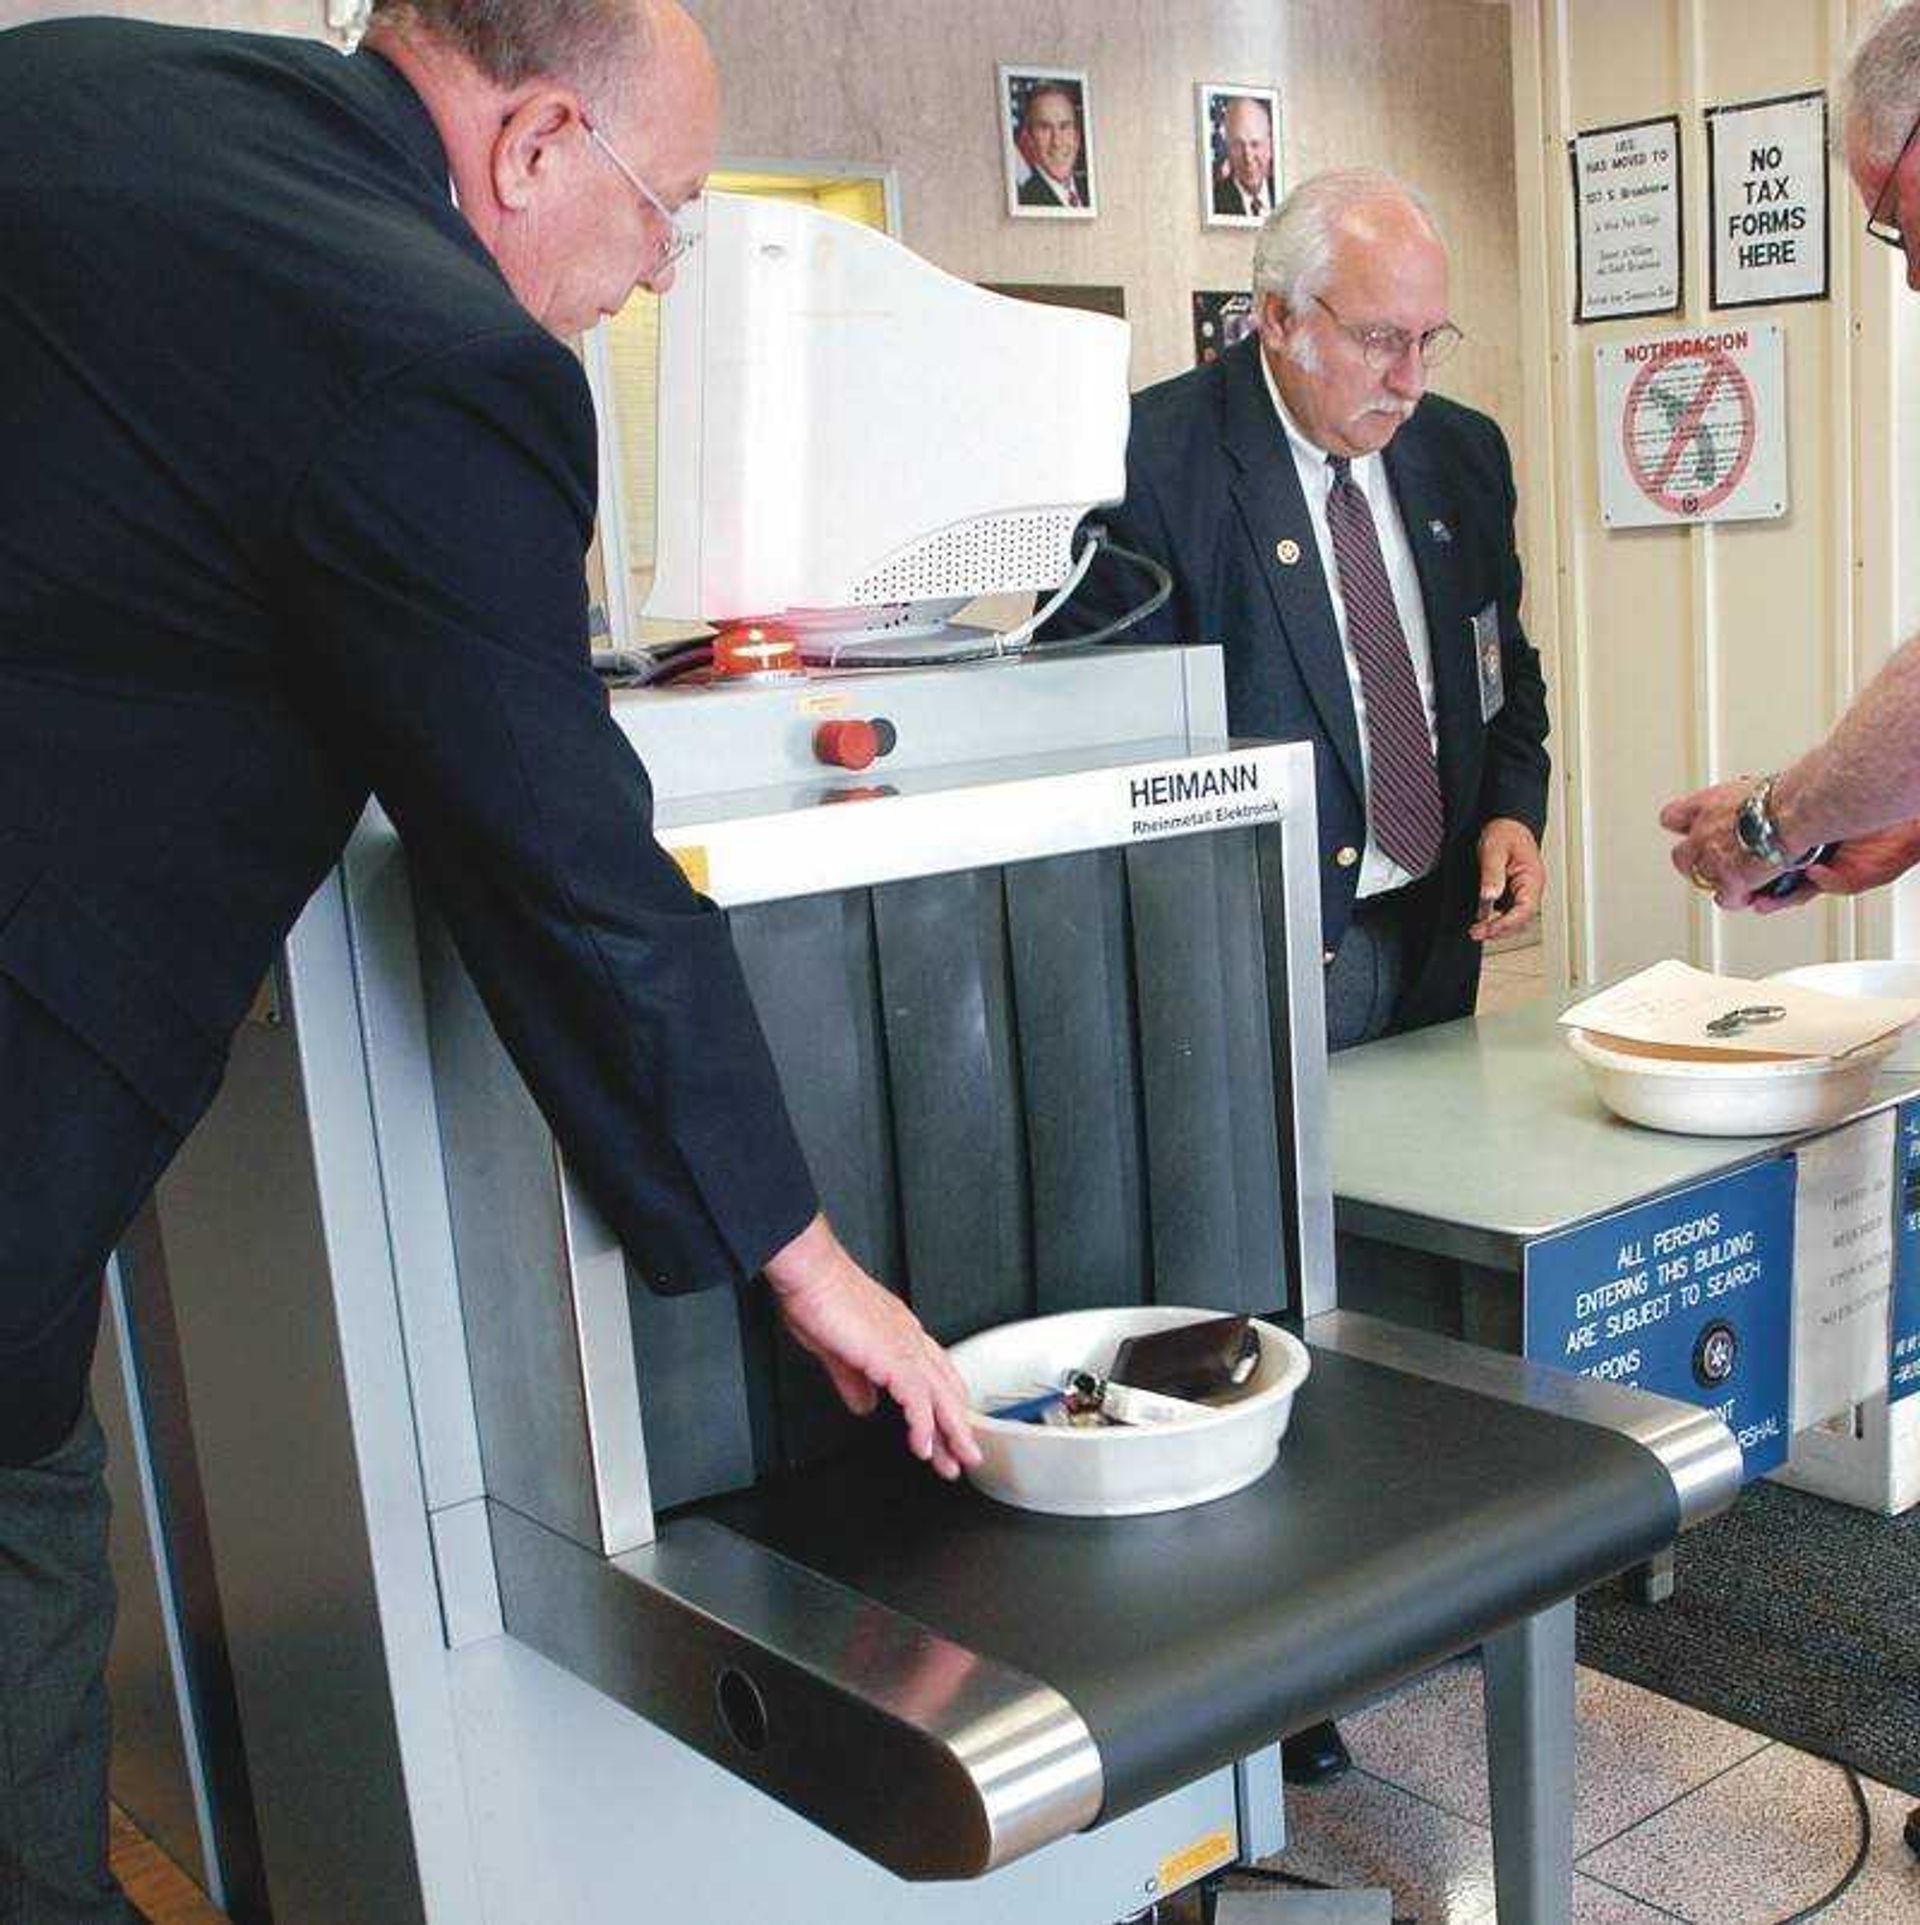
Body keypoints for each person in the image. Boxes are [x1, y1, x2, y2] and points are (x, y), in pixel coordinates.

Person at [0, 3, 977, 1917]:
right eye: (664, 212)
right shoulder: (438, 358)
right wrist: (808, 1260)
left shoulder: (88, 79)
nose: (654, 271)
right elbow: (566, 871)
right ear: (533, 147)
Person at [1046, 165, 1549, 1789]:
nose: (1412, 377)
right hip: (1250, 969)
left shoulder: (1459, 455)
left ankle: (1430, 1580)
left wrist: (1510, 811)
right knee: (1264, 1289)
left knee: (1411, 1283)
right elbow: (1098, 740)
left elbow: (1504, 673)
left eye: (1431, 338)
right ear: (1276, 320)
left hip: (1418, 946)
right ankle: (1297, 1663)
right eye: (1379, 341)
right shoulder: (1147, 462)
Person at [1016, 81, 1090, 209]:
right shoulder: (1024, 199)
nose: (1056, 142)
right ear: (1029, 140)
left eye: (1064, 126)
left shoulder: (1089, 189)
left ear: (1077, 137)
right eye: (1045, 128)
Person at [1213, 95, 1276, 220]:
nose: (1248, 157)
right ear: (1228, 149)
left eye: (1255, 144)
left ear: (1269, 147)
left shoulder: (1287, 202)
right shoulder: (1215, 200)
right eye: (1238, 145)